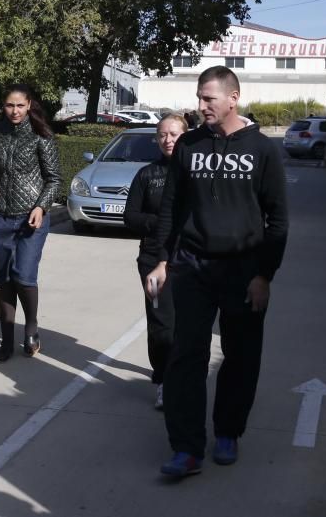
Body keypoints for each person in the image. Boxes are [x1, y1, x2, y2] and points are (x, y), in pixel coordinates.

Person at [146, 66, 288, 477]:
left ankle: (227, 431)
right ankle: (187, 448)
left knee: (241, 356)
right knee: (185, 355)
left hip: (244, 270)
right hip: (193, 266)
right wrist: (161, 260)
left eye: (209, 98)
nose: (201, 105)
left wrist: (265, 275)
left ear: (233, 98)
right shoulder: (188, 145)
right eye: (199, 97)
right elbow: (171, 207)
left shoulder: (262, 150)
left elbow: (277, 219)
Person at [0, 85, 62, 363]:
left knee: (24, 275)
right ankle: (6, 341)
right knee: (5, 279)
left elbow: (54, 179)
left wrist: (41, 206)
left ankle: (31, 327)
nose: (14, 111)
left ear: (29, 105)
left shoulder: (43, 135)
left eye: (19, 105)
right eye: (9, 106)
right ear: (2, 106)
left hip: (31, 217)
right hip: (0, 216)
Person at [123, 114, 189, 410]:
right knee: (161, 322)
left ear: (185, 136)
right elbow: (130, 217)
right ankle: (163, 380)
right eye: (162, 135)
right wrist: (161, 223)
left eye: (174, 134)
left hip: (188, 257)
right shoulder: (148, 175)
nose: (168, 140)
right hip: (152, 257)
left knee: (184, 322)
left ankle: (182, 375)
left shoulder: (194, 173)